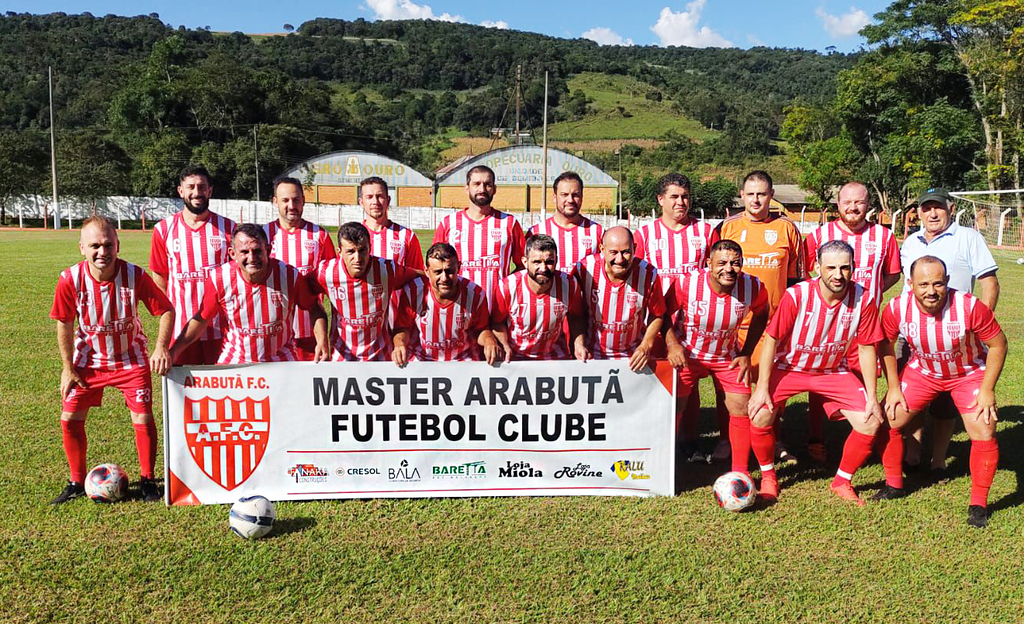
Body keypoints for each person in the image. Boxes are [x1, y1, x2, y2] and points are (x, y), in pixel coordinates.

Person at [746, 240, 885, 505]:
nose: (838, 274)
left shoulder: (864, 298)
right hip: (790, 368)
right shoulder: (797, 295)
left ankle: (842, 481)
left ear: (853, 267)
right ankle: (768, 477)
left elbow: (867, 348)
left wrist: (872, 397)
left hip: (833, 370)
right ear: (817, 266)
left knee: (870, 420)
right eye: (831, 267)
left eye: (845, 268)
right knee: (761, 414)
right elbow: (772, 340)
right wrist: (762, 387)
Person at [50, 217, 174, 504]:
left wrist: (160, 348)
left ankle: (147, 480)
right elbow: (64, 323)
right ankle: (76, 481)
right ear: (82, 247)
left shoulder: (135, 275)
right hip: (88, 361)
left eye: (108, 245)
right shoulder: (70, 279)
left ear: (118, 245)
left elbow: (165, 309)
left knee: (142, 418)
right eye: (94, 245)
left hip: (130, 359)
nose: (102, 252)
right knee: (69, 419)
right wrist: (67, 368)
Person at [879, 256, 1006, 527]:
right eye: (923, 284)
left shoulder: (970, 306)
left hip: (967, 374)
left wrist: (987, 390)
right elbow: (886, 346)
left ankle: (978, 504)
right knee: (889, 416)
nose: (931, 291)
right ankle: (894, 485)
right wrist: (892, 387)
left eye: (938, 283)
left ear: (947, 281)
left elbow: (998, 345)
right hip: (923, 371)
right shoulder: (896, 308)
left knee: (984, 428)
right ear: (910, 283)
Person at [899, 188, 1000, 475]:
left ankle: (939, 459)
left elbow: (989, 283)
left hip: (956, 336)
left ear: (950, 209)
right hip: (915, 334)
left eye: (938, 208)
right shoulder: (910, 242)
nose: (932, 213)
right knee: (912, 398)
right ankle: (913, 451)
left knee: (945, 403)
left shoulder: (968, 238)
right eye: (926, 208)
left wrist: (980, 326)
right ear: (918, 212)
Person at [802, 182, 902, 462]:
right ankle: (816, 438)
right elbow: (805, 273)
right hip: (827, 325)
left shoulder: (884, 236)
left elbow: (892, 274)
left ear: (868, 204)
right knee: (819, 380)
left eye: (859, 202)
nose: (853, 207)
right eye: (847, 202)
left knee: (864, 380)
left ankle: (859, 438)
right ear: (838, 204)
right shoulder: (820, 235)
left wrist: (869, 295)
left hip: (864, 327)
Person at [716, 170, 806, 463]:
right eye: (750, 193)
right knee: (730, 385)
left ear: (771, 195)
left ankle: (774, 439)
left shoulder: (787, 229)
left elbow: (796, 280)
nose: (756, 199)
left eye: (762, 193)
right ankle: (726, 440)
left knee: (772, 384)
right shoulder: (727, 227)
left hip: (773, 324)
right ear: (741, 195)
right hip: (733, 324)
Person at [665, 240, 769, 476]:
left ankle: (740, 472)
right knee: (675, 406)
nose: (729, 269)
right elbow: (662, 313)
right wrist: (673, 345)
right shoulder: (687, 284)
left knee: (742, 406)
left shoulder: (752, 286)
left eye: (735, 263)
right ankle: (665, 464)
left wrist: (746, 352)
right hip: (688, 354)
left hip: (727, 356)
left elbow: (762, 314)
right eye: (722, 263)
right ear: (708, 263)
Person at [635, 173, 718, 462]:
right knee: (653, 380)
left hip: (694, 322)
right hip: (655, 322)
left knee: (688, 380)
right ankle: (654, 440)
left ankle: (688, 440)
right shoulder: (644, 235)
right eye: (673, 196)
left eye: (684, 196)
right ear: (660, 200)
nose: (680, 202)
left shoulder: (706, 232)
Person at [168, 224, 328, 364]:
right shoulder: (220, 279)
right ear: (232, 253)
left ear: (269, 250)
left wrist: (321, 341)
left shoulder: (290, 276)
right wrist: (174, 351)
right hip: (236, 359)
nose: (251, 258)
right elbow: (202, 319)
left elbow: (314, 307)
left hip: (281, 358)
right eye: (244, 252)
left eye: (257, 251)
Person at [149, 165, 235, 365]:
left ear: (210, 190)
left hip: (220, 328)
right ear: (181, 191)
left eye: (202, 187)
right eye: (191, 187)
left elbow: (236, 277)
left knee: (223, 391)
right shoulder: (163, 229)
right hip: (180, 329)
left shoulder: (229, 228)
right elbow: (160, 277)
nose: (197, 193)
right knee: (185, 391)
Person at [313, 222, 420, 361]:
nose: (357, 258)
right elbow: (307, 297)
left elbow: (421, 276)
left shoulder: (386, 270)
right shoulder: (325, 273)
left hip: (381, 356)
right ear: (339, 251)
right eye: (350, 251)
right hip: (341, 356)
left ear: (370, 248)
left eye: (362, 250)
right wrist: (321, 339)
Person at [574, 226, 667, 373]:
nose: (620, 259)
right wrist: (579, 343)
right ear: (602, 249)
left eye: (626, 252)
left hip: (633, 357)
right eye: (613, 252)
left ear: (634, 248)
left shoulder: (648, 274)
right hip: (591, 355)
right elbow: (575, 312)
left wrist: (646, 345)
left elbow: (658, 314)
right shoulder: (584, 269)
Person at [264, 176, 337, 361]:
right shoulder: (263, 235)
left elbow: (334, 284)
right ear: (275, 202)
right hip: (272, 333)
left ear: (303, 200)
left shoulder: (319, 235)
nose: (291, 205)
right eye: (285, 200)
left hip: (310, 333)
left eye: (296, 199)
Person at [391, 243, 501, 365]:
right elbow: (402, 328)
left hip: (462, 362)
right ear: (427, 271)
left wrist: (489, 341)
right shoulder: (412, 292)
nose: (444, 278)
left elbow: (481, 330)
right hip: (422, 361)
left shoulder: (475, 294)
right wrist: (399, 343)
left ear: (458, 267)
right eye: (437, 272)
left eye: (449, 271)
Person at [432, 165, 525, 304]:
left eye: (487, 185)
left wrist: (507, 287)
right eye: (476, 184)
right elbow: (434, 267)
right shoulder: (448, 224)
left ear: (494, 189)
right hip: (459, 305)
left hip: (497, 307)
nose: (482, 189)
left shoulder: (509, 223)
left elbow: (523, 265)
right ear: (467, 188)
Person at [491, 234, 586, 360]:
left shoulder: (569, 284)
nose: (543, 268)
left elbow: (576, 317)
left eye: (549, 262)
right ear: (525, 262)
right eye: (537, 262)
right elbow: (497, 322)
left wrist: (578, 343)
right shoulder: (507, 287)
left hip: (555, 357)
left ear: (556, 260)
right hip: (517, 357)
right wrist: (504, 345)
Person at [528, 172, 602, 270]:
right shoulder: (536, 232)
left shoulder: (597, 231)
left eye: (575, 195)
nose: (570, 200)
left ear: (582, 197)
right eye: (564, 194)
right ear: (555, 197)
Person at [359, 176, 425, 270]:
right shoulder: (353, 235)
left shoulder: (407, 236)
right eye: (369, 197)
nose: (375, 202)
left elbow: (417, 275)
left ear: (388, 200)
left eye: (380, 196)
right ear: (361, 202)